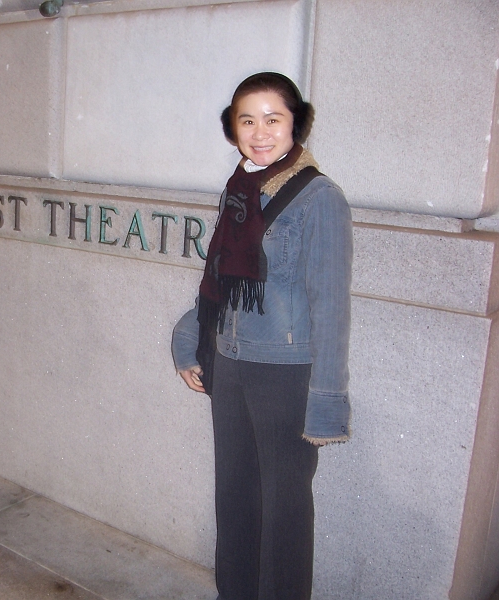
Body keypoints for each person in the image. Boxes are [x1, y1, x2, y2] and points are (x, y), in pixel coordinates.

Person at [172, 72, 353, 599]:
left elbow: (332, 307)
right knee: (235, 497)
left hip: (285, 375)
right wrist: (189, 342)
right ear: (232, 127)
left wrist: (327, 402)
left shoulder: (320, 198)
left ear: (296, 123)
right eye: (247, 119)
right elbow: (221, 281)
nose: (259, 131)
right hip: (229, 366)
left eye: (273, 119)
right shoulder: (240, 190)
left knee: (284, 511)